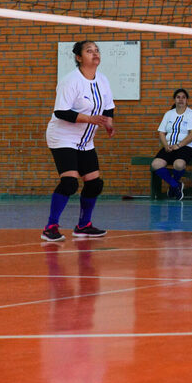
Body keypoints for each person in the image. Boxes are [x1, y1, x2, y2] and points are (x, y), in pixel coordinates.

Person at [42, 40, 115, 242]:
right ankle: (50, 227)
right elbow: (61, 111)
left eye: (97, 50)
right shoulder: (70, 80)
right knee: (69, 183)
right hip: (62, 136)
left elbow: (108, 107)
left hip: (85, 140)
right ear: (79, 57)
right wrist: (90, 119)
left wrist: (109, 123)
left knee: (94, 184)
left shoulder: (103, 80)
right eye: (89, 51)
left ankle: (83, 225)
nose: (95, 53)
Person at [150, 88, 192, 200]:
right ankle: (175, 185)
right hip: (169, 146)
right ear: (174, 99)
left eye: (183, 97)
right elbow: (161, 132)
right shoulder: (169, 114)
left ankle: (173, 186)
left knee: (179, 165)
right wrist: (165, 145)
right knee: (155, 164)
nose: (181, 99)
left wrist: (179, 145)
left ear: (187, 100)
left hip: (187, 147)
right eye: (178, 97)